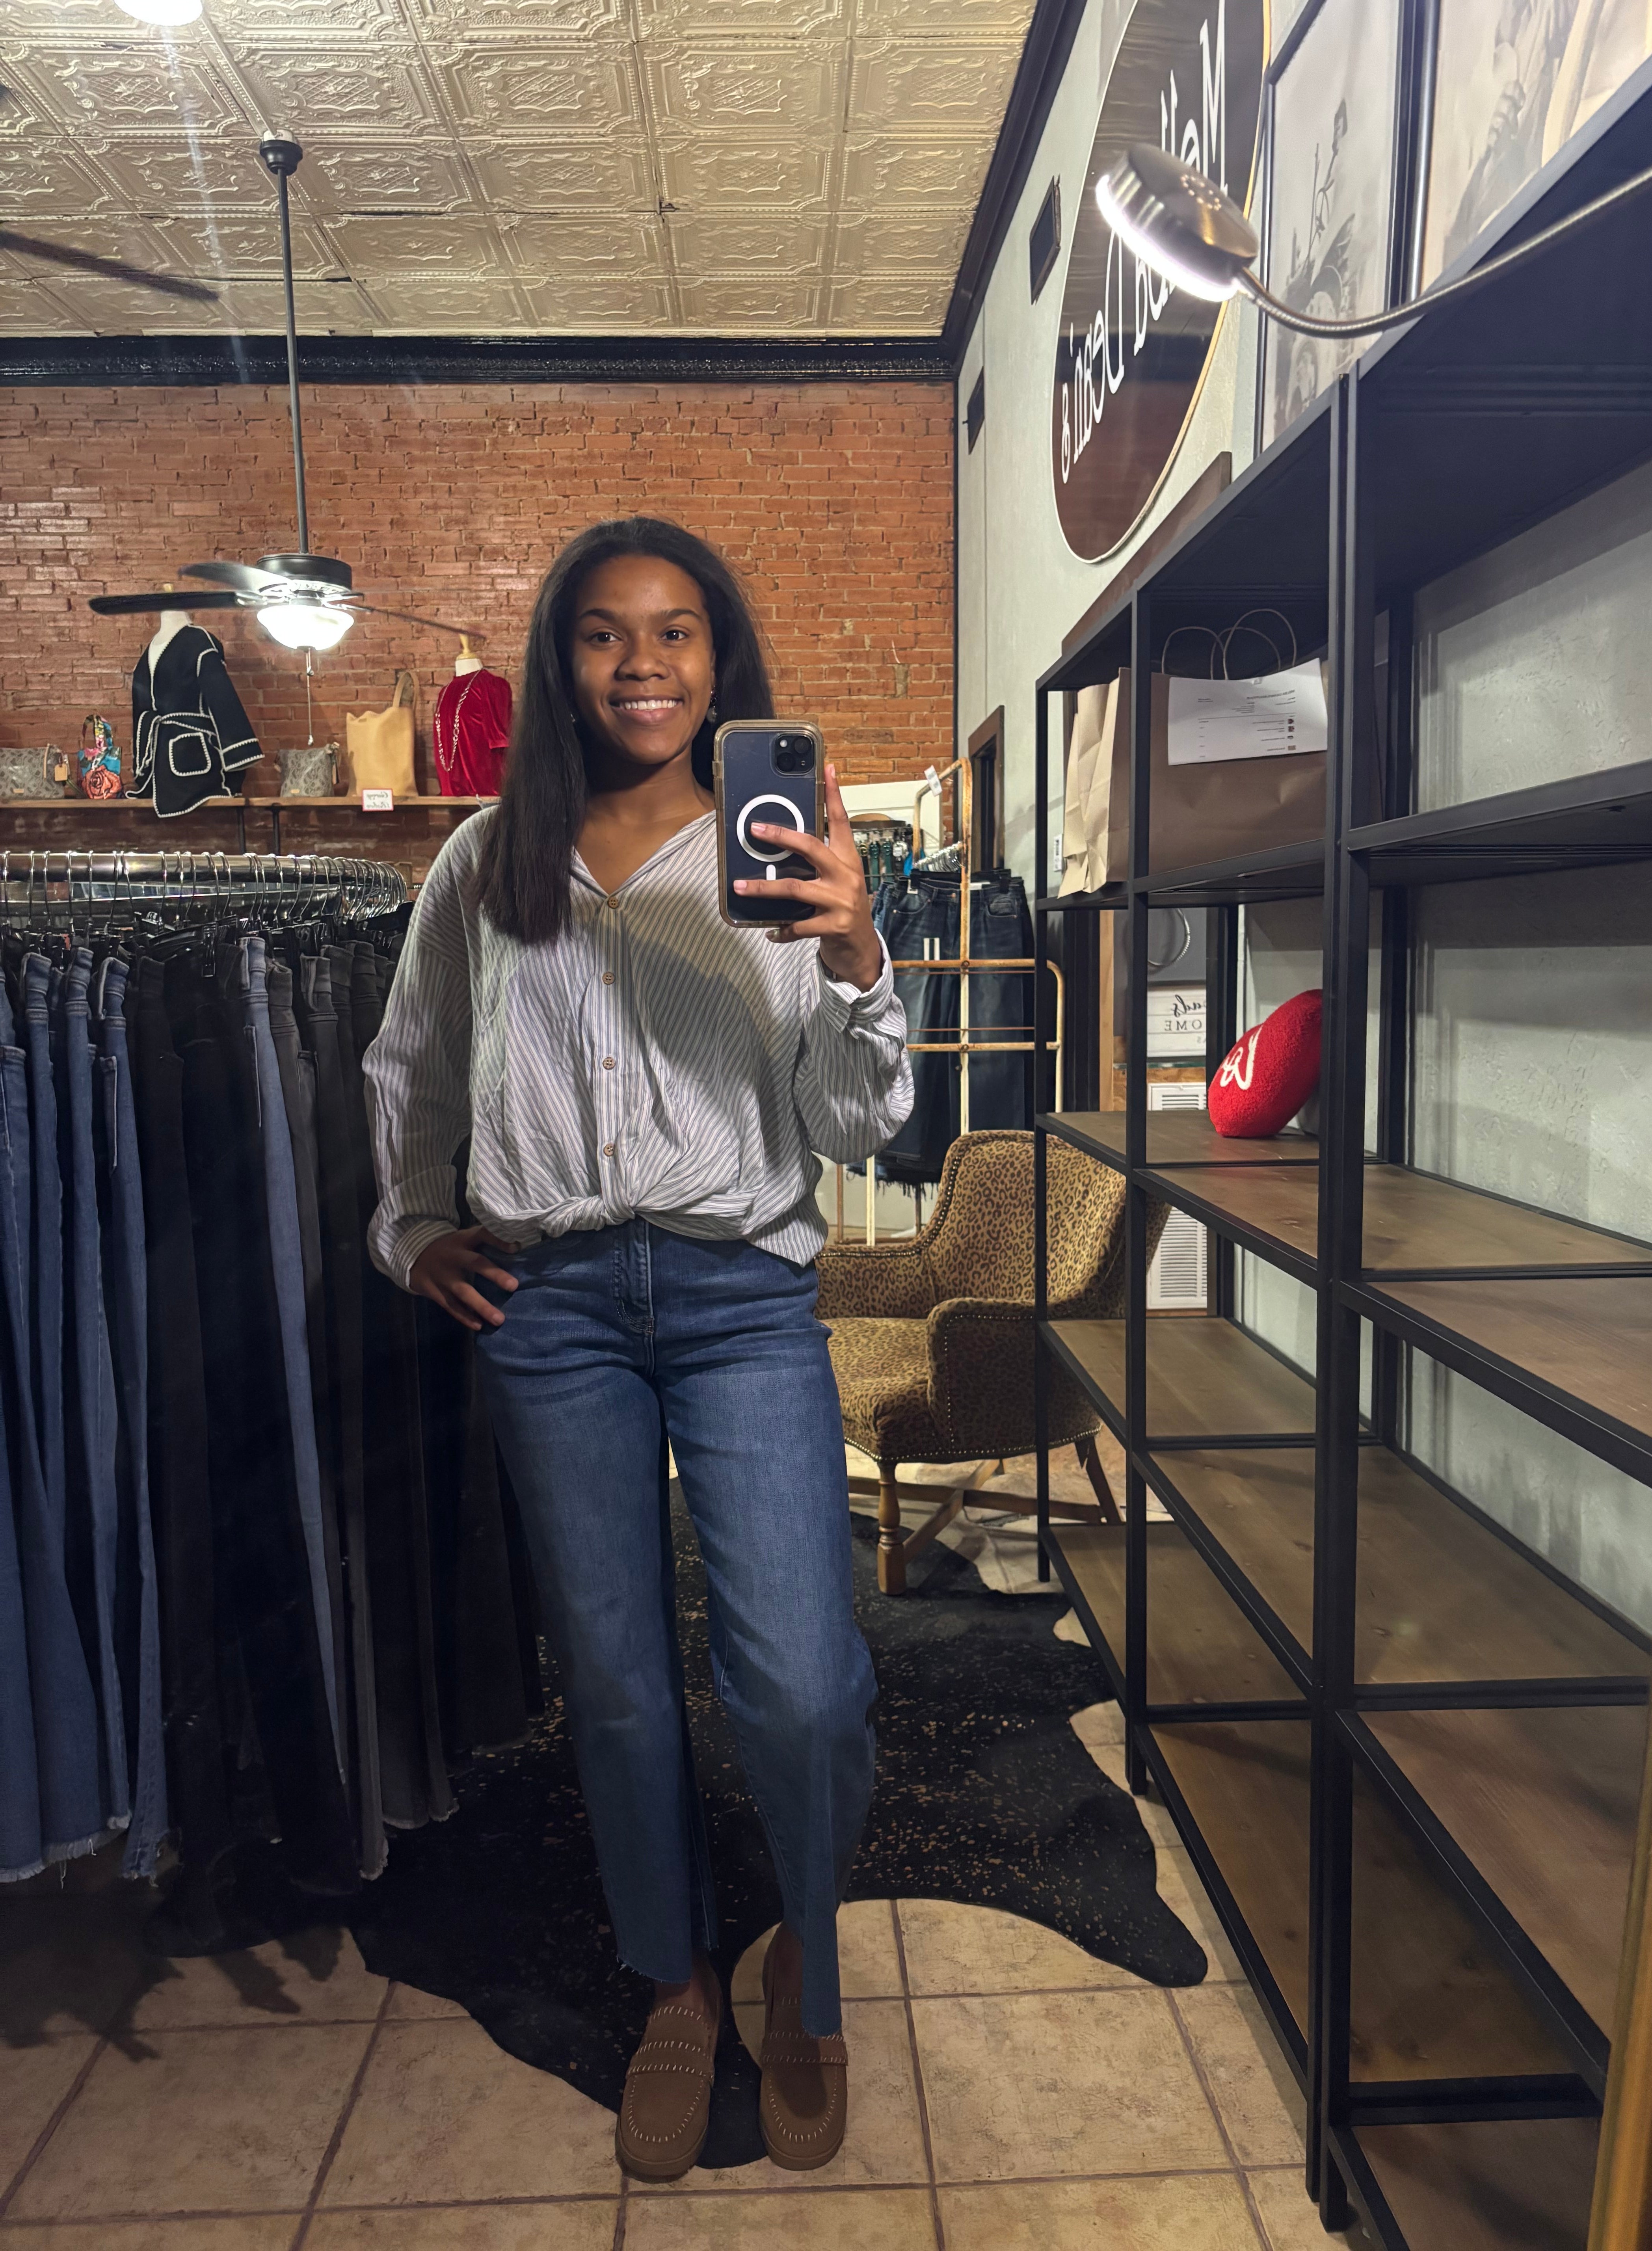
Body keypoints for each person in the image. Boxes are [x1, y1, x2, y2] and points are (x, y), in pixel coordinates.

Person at [363, 517, 913, 2181]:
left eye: (677, 632)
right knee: (614, 1686)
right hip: (556, 1312)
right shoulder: (485, 860)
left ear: (722, 655)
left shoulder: (784, 848)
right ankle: (671, 1985)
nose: (645, 663)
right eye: (606, 634)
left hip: (746, 1297)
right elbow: (412, 1067)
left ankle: (806, 1959)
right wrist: (410, 1230)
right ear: (562, 661)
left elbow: (858, 1126)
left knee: (805, 1687)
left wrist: (857, 953)